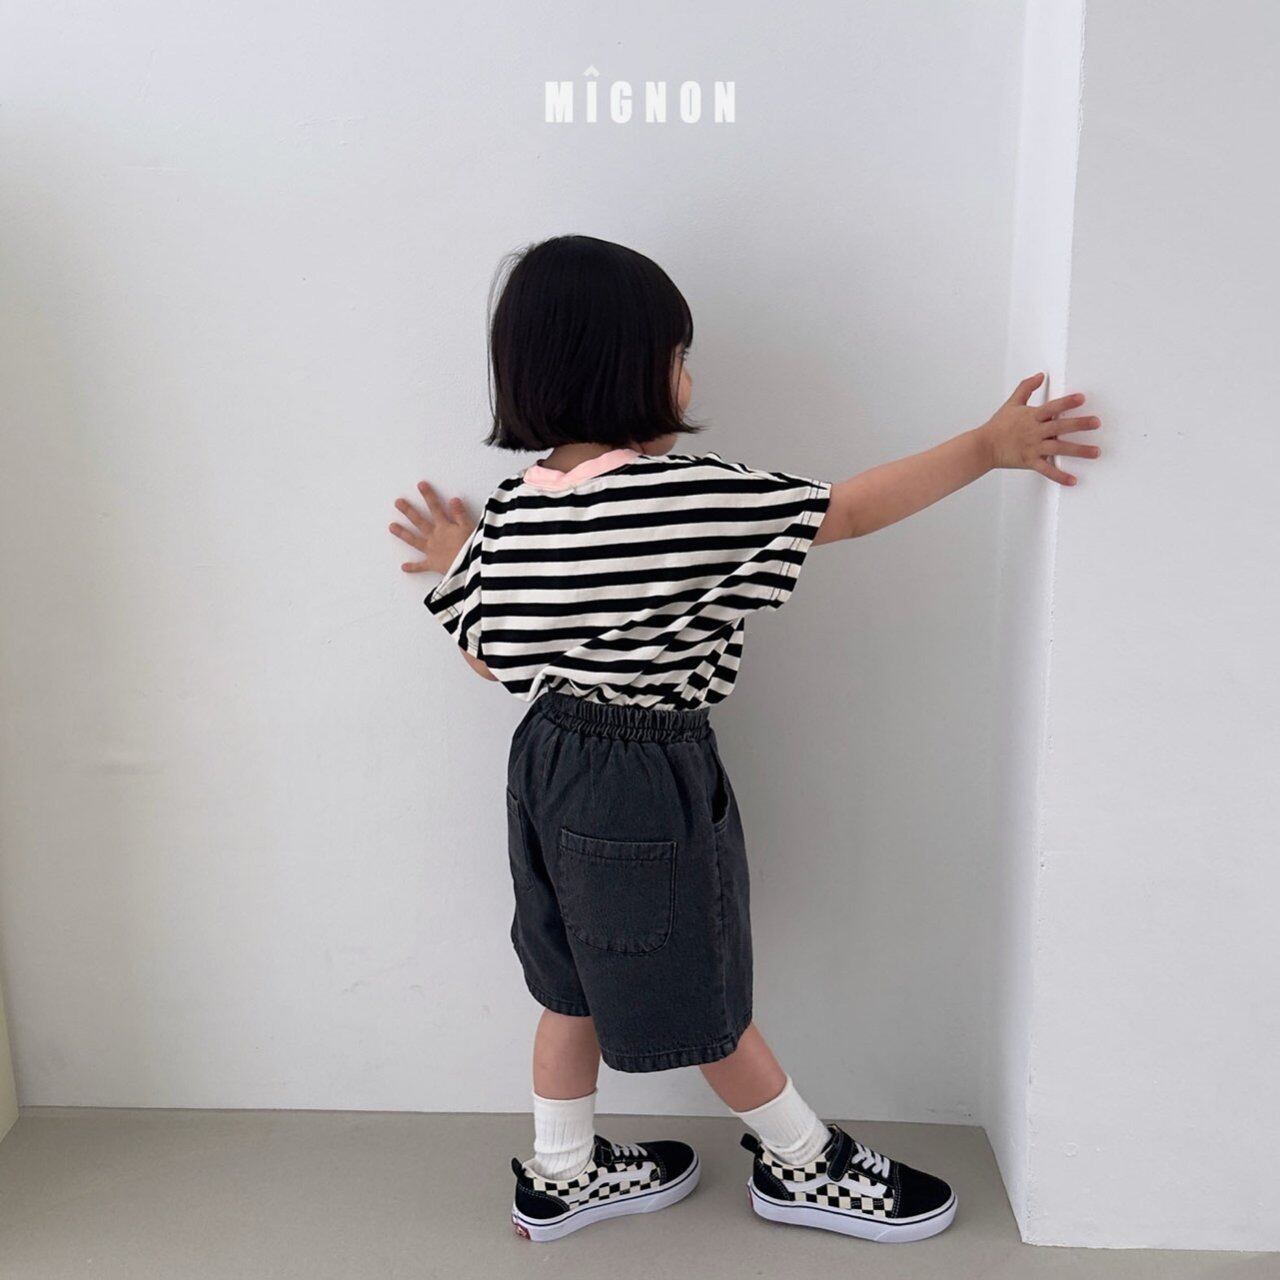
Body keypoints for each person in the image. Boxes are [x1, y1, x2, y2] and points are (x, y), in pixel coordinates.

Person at [388, 234, 1101, 1245]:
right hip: (642, 772)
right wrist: (984, 449)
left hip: (543, 761)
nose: (688, 375)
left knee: (569, 982)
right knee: (699, 985)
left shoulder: (512, 515)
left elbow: (488, 659)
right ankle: (801, 1161)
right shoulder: (686, 495)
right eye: (678, 354)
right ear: (627, 367)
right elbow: (846, 510)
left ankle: (562, 1171)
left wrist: (457, 562)